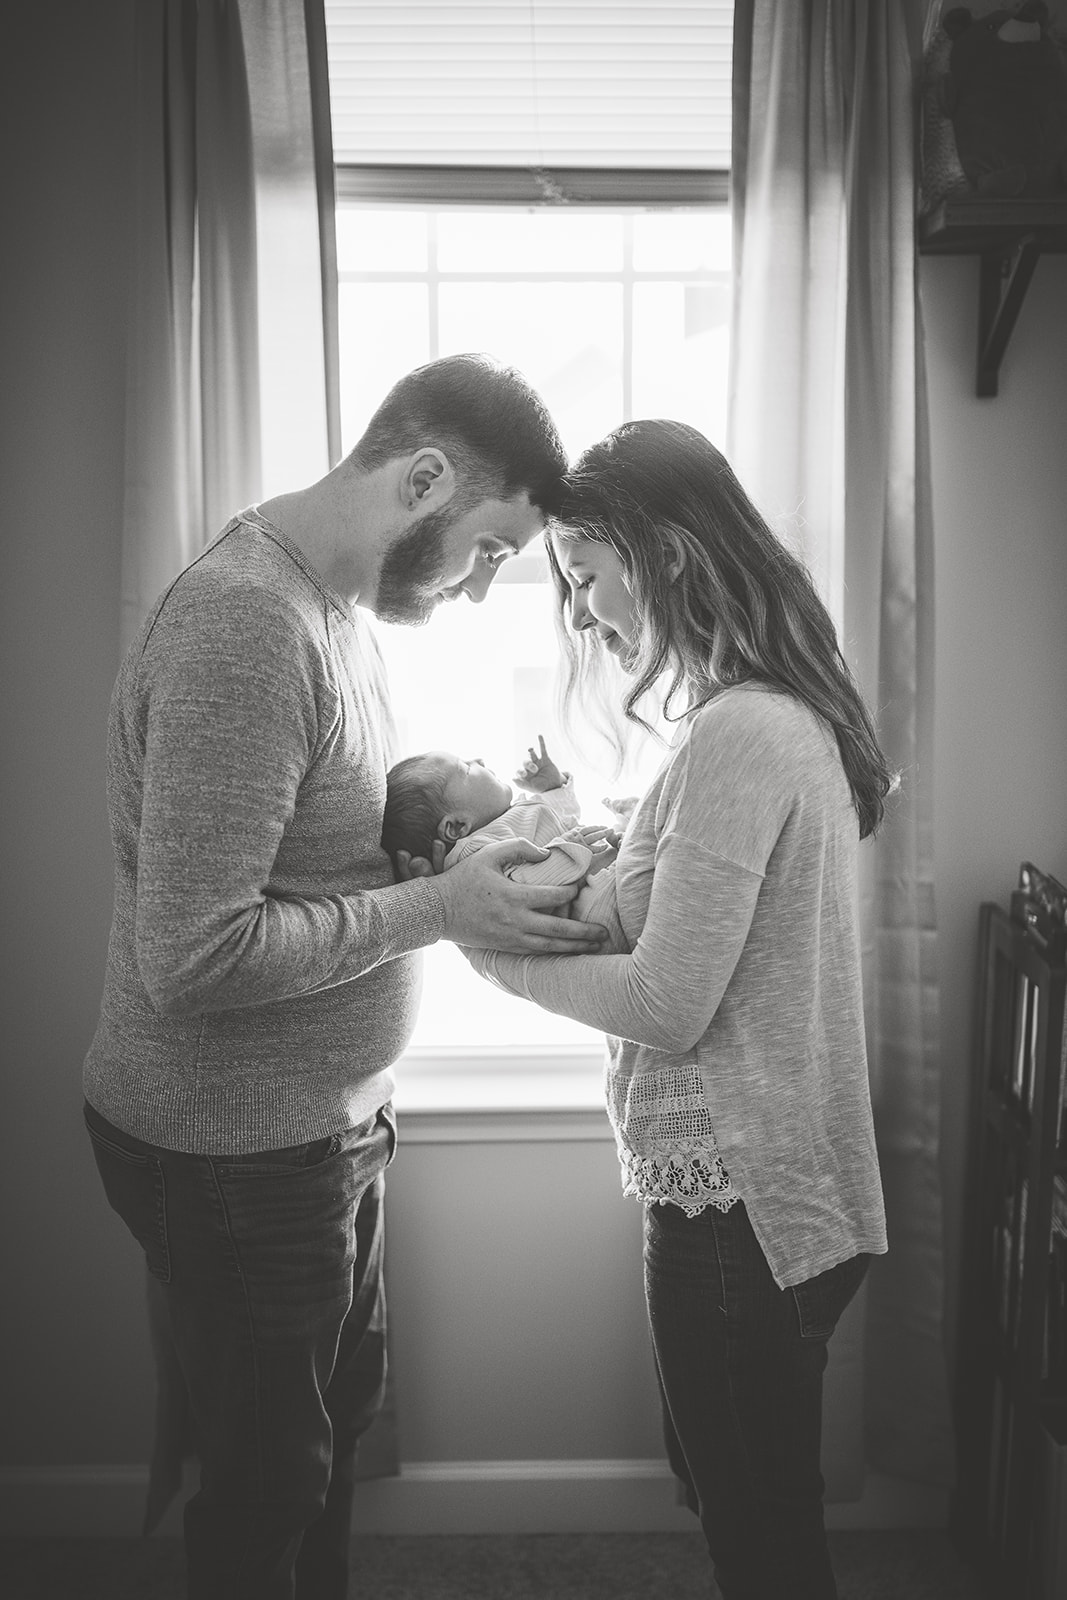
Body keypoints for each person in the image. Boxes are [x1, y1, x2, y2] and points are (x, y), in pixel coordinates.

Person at [81, 353, 608, 1600]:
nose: (485, 592)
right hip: (233, 1150)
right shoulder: (246, 627)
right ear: (423, 478)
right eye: (488, 550)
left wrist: (492, 847)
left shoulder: (332, 612)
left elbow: (322, 860)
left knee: (321, 1449)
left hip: (318, 1130)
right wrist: (440, 904)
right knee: (269, 1483)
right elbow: (194, 958)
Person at [460, 419, 894, 1600]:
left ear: (666, 556)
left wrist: (481, 947)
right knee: (749, 1504)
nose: (586, 611)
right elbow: (695, 930)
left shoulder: (740, 732)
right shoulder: (756, 717)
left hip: (736, 1206)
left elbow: (665, 999)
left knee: (757, 1537)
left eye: (587, 575)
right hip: (766, 1190)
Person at [382, 735, 630, 951]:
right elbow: (524, 889)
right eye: (466, 769)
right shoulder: (475, 854)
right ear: (457, 826)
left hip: (596, 876)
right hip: (594, 909)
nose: (479, 760)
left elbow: (564, 822)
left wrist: (552, 789)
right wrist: (567, 848)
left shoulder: (511, 816)